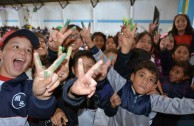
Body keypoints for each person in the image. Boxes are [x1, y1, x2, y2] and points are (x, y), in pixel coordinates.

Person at [0, 29, 65, 126]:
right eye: (16, 46)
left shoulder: (30, 86)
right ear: (1, 53)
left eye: (28, 50)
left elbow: (41, 113)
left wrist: (42, 97)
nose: (23, 52)